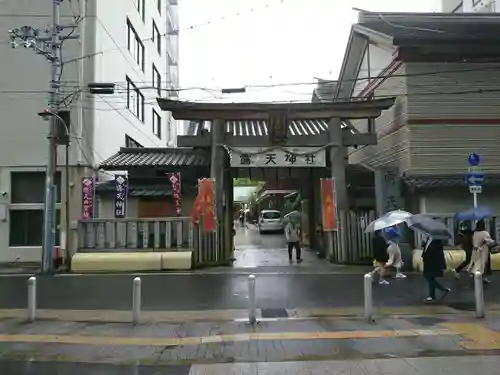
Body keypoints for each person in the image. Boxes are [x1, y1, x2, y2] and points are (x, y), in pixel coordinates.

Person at [422, 236, 450, 302]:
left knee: (428, 276)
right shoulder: (428, 238)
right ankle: (432, 295)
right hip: (427, 260)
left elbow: (436, 251)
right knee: (430, 278)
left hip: (433, 261)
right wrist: (424, 245)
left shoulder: (437, 240)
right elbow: (426, 248)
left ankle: (442, 289)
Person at [469, 219, 495, 283]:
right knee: (485, 264)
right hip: (484, 250)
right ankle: (484, 277)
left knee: (477, 263)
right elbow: (489, 242)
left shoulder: (474, 233)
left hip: (475, 250)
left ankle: (475, 274)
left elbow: (473, 242)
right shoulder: (485, 233)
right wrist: (493, 242)